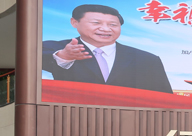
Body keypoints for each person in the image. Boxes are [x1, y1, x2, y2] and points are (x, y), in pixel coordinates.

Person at [42, 4, 172, 93]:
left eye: (113, 24)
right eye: (96, 23)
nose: (105, 29)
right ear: (74, 22)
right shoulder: (52, 48)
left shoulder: (147, 59)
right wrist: (63, 56)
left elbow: (164, 97)